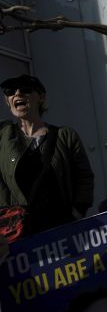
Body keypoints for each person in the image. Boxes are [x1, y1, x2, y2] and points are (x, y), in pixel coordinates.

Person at [0, 74, 94, 236]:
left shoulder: (65, 136)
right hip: (21, 232)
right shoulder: (3, 136)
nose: (17, 94)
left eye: (25, 89)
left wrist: (78, 210)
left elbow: (84, 177)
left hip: (61, 226)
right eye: (10, 91)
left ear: (41, 98)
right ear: (7, 101)